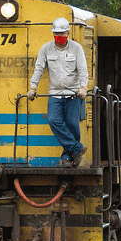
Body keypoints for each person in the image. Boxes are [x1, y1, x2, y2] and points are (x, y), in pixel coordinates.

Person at [27, 17, 89, 167]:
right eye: (56, 34)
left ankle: (67, 158)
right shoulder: (46, 49)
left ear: (68, 33)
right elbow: (39, 69)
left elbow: (82, 70)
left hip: (73, 94)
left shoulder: (76, 48)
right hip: (55, 93)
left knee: (72, 124)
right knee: (53, 120)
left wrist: (83, 87)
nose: (59, 36)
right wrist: (32, 87)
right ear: (53, 34)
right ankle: (77, 148)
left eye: (62, 33)